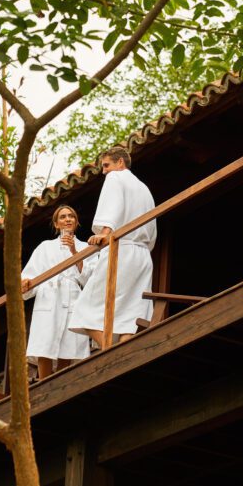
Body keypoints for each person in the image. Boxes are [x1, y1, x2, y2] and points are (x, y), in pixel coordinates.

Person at [68, 146, 156, 348]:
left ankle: (109, 349)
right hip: (143, 254)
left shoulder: (116, 178)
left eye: (106, 165)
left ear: (120, 163)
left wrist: (105, 233)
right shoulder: (144, 188)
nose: (104, 171)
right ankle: (125, 348)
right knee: (132, 310)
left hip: (121, 248)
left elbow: (113, 206)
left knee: (84, 309)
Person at [20, 205, 95, 379]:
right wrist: (25, 283)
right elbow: (30, 274)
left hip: (73, 296)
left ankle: (60, 380)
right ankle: (44, 380)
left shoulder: (85, 247)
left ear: (76, 223)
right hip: (49, 295)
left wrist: (74, 252)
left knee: (68, 344)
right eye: (63, 217)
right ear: (56, 224)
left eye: (71, 216)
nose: (67, 219)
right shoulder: (45, 247)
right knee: (45, 341)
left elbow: (89, 278)